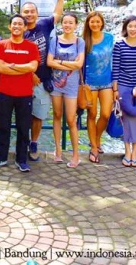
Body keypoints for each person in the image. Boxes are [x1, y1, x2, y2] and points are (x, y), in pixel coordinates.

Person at [0, 14, 40, 172]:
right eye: (14, 24)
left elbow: (33, 68)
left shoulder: (31, 47)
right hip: (5, 92)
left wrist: (10, 66)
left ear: (25, 27)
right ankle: (0, 157)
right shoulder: (1, 45)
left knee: (24, 128)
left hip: (24, 94)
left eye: (20, 24)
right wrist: (22, 67)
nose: (17, 26)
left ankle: (21, 159)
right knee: (3, 126)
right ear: (9, 27)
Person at [21, 0, 65, 162]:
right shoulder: (18, 30)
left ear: (37, 13)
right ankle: (22, 144)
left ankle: (34, 142)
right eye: (26, 12)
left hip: (44, 79)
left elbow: (58, 13)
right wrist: (30, 74)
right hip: (24, 79)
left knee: (38, 115)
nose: (29, 14)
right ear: (21, 14)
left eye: (32, 12)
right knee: (23, 114)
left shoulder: (45, 25)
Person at [47, 13, 85, 168]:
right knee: (56, 115)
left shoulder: (79, 42)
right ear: (61, 24)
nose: (67, 25)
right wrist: (69, 63)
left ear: (76, 25)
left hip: (72, 85)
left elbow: (79, 64)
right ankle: (58, 151)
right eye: (65, 22)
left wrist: (59, 62)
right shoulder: (54, 40)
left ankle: (76, 155)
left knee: (71, 119)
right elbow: (49, 62)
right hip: (55, 84)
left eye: (71, 23)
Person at [112, 16, 136, 168]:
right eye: (130, 26)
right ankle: (127, 152)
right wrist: (115, 89)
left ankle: (135, 152)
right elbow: (115, 68)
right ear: (125, 28)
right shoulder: (119, 45)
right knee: (125, 120)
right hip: (123, 86)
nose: (133, 29)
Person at [82, 10, 114, 164]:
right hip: (90, 83)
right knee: (92, 114)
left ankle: (96, 138)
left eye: (98, 21)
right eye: (92, 22)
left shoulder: (109, 38)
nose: (95, 24)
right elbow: (80, 64)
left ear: (102, 23)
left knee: (106, 114)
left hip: (107, 81)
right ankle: (94, 147)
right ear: (88, 24)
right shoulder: (84, 41)